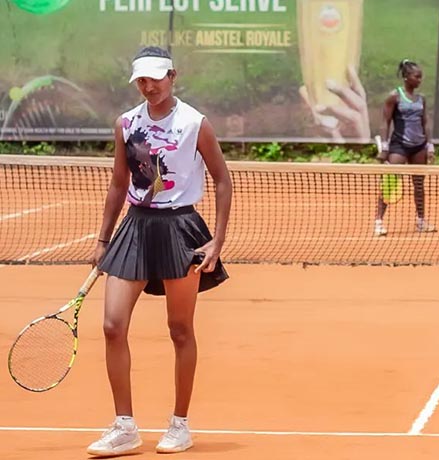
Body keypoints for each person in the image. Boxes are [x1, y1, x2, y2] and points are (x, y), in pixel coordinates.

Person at [87, 46, 232, 456]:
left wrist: (217, 241)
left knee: (180, 329)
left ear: (172, 75)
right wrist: (103, 239)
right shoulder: (126, 123)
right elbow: (119, 182)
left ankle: (180, 424)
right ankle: (125, 426)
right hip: (135, 226)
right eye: (142, 81)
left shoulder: (194, 123)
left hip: (180, 229)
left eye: (155, 78)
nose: (149, 86)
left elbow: (222, 180)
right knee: (113, 325)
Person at [373, 59, 436, 237]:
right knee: (390, 184)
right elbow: (385, 122)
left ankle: (421, 221)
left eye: (421, 77)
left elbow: (425, 123)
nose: (420, 80)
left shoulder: (421, 99)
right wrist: (384, 147)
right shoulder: (394, 96)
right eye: (417, 77)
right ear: (407, 77)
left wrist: (430, 146)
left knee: (419, 185)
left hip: (419, 147)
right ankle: (378, 222)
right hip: (399, 146)